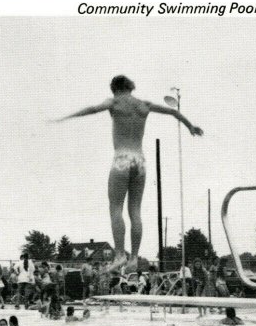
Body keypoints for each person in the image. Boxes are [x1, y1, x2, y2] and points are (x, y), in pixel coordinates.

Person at [55, 75, 202, 273]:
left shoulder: (114, 102)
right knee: (135, 211)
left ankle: (119, 255)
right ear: (130, 87)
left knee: (115, 208)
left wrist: (66, 117)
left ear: (114, 88)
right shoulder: (144, 105)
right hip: (140, 161)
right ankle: (133, 257)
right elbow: (173, 113)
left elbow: (92, 109)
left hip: (122, 159)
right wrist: (190, 126)